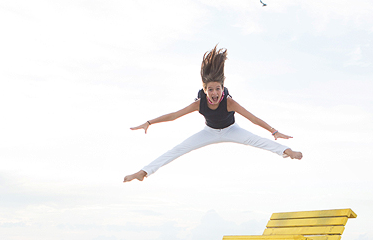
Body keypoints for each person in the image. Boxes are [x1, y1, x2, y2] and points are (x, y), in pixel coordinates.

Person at [124, 46, 303, 182]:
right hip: (209, 132)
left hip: (232, 130)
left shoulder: (229, 102)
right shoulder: (199, 103)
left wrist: (274, 131)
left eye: (218, 88)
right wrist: (149, 122)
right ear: (205, 90)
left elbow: (253, 118)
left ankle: (288, 151)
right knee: (178, 149)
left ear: (222, 88)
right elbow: (174, 115)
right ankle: (143, 172)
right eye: (210, 89)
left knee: (257, 140)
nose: (215, 93)